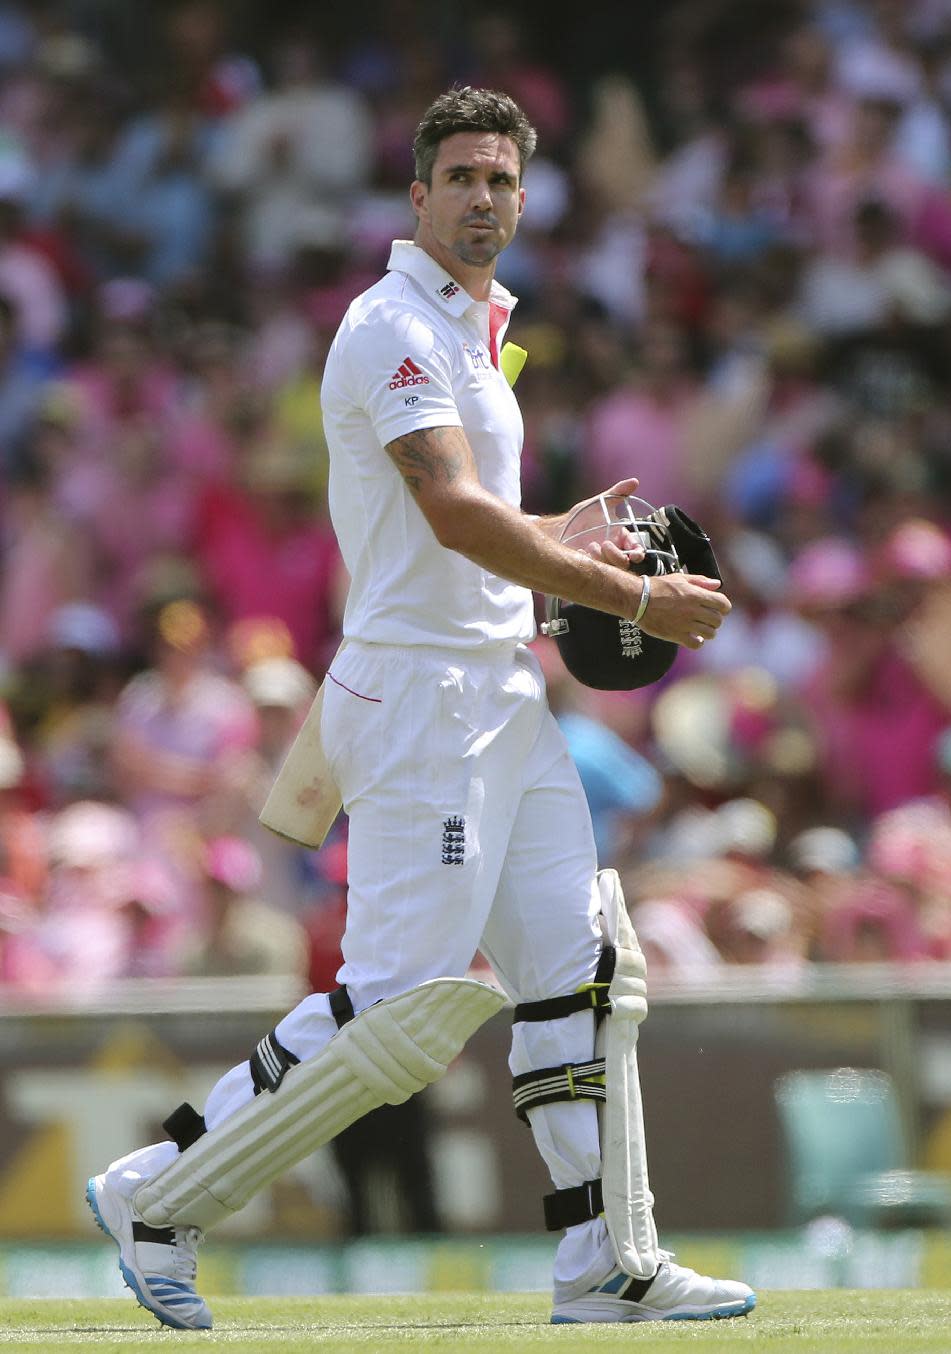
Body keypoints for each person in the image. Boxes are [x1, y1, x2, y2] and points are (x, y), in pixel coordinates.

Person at [85, 86, 751, 1330]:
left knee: (585, 975)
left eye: (504, 180)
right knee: (399, 1002)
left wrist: (569, 531)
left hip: (503, 688)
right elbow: (448, 513)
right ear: (418, 194)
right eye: (463, 178)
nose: (485, 200)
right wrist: (626, 595)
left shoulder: (478, 328)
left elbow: (470, 527)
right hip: (422, 703)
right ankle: (154, 1193)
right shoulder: (388, 327)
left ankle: (607, 1261)